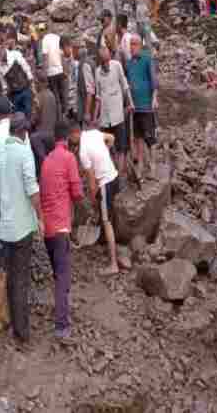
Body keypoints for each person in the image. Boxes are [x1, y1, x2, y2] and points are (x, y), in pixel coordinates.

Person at [0, 112, 43, 351]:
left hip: (6, 228)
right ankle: (22, 333)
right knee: (20, 280)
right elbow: (32, 189)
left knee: (11, 277)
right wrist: (41, 219)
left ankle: (12, 322)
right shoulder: (24, 153)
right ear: (23, 132)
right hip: (22, 227)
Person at [39, 120, 82, 341]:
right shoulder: (69, 158)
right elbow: (76, 191)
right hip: (62, 226)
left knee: (57, 273)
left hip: (47, 228)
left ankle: (61, 310)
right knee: (63, 277)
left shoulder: (46, 161)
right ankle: (62, 326)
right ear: (66, 139)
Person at [71, 124, 124, 275]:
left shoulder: (82, 152)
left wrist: (93, 200)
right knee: (109, 215)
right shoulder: (93, 133)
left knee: (106, 221)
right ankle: (108, 242)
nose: (71, 141)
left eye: (71, 138)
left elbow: (92, 183)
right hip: (114, 177)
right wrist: (105, 154)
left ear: (75, 134)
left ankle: (113, 264)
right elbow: (111, 138)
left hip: (105, 182)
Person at [93, 45, 133, 175]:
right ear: (100, 61)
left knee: (121, 147)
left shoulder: (117, 66)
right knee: (108, 147)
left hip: (117, 115)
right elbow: (98, 96)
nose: (106, 65)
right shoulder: (97, 72)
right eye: (103, 62)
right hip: (105, 117)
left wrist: (130, 103)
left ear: (109, 58)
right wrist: (95, 117)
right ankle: (113, 173)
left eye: (107, 61)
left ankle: (120, 173)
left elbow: (125, 85)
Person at [125, 34, 158, 177]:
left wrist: (154, 98)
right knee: (137, 137)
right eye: (130, 44)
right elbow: (128, 83)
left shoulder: (147, 59)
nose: (131, 47)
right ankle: (140, 167)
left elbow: (154, 80)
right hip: (135, 107)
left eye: (134, 44)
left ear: (140, 45)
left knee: (149, 137)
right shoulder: (130, 63)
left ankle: (153, 165)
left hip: (146, 105)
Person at [0, 33, 34, 118]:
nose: (0, 56)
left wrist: (32, 86)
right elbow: (4, 84)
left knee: (28, 113)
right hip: (14, 94)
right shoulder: (0, 66)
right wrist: (6, 97)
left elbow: (26, 68)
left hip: (25, 89)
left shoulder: (15, 54)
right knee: (18, 115)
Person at [42, 31, 66, 112]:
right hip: (60, 70)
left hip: (51, 72)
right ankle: (64, 116)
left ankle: (58, 118)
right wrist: (64, 69)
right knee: (63, 95)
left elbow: (45, 58)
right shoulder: (57, 37)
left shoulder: (44, 40)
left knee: (56, 97)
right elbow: (62, 55)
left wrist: (44, 74)